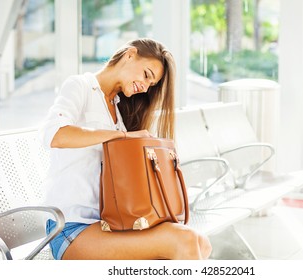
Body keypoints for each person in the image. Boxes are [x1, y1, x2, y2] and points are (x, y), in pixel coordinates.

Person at [39, 38, 212, 260]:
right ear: (130, 54)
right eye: (147, 75)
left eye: (151, 85)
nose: (145, 86)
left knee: (201, 243)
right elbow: (54, 134)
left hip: (110, 225)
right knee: (184, 241)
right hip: (70, 228)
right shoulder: (80, 86)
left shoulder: (119, 111)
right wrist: (122, 136)